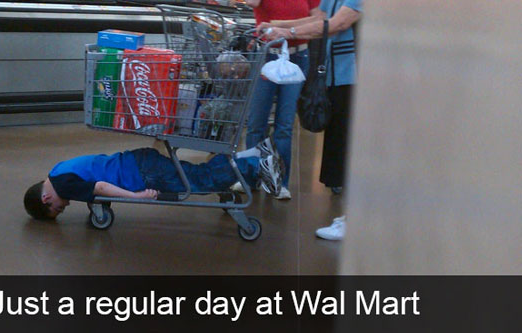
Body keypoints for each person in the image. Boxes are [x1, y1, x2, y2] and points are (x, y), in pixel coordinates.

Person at [261, 0, 362, 240]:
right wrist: (278, 24)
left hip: (357, 76)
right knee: (341, 145)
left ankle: (354, 222)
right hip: (339, 75)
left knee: (351, 148)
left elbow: (337, 24)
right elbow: (319, 18)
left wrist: (288, 32)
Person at [23, 142, 283, 220]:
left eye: (58, 208)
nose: (65, 206)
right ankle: (254, 152)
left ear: (46, 197)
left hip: (142, 174)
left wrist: (136, 196)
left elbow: (100, 187)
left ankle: (255, 165)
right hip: (137, 161)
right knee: (194, 173)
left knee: (199, 180)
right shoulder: (56, 171)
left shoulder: (63, 186)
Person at [237, 0, 320, 200]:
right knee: (257, 122)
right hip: (266, 54)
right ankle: (250, 177)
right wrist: (295, 26)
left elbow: (319, 19)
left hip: (297, 56)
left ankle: (278, 182)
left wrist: (280, 25)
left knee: (284, 124)